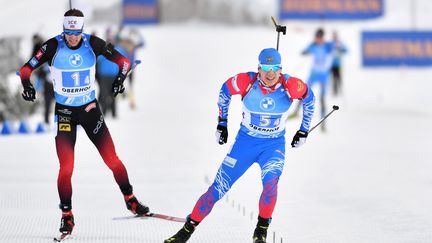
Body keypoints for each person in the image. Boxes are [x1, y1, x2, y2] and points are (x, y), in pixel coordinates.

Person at [18, 9, 149, 236]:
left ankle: (131, 199)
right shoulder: (53, 46)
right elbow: (25, 68)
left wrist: (119, 80)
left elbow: (124, 62)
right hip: (66, 113)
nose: (72, 38)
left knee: (112, 159)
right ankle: (66, 215)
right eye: (68, 33)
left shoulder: (92, 43)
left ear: (81, 29)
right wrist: (27, 85)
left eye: (75, 33)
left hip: (90, 110)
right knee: (66, 167)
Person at [164, 48, 315, 243]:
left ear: (281, 69)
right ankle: (185, 231)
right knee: (218, 188)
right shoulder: (246, 81)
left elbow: (309, 99)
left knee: (270, 184)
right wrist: (222, 123)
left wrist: (303, 130)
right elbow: (225, 91)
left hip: (273, 147)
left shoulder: (291, 85)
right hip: (245, 144)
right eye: (266, 68)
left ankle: (261, 231)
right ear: (258, 68)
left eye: (275, 68)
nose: (271, 73)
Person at [289, 28, 333, 130]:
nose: (317, 39)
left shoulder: (327, 46)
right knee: (303, 92)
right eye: (316, 37)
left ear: (322, 37)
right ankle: (296, 112)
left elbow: (332, 54)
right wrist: (305, 52)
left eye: (319, 38)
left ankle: (323, 121)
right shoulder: (313, 45)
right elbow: (305, 51)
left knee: (322, 97)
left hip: (323, 75)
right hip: (313, 74)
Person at [31, 33, 54, 125]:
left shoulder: (47, 46)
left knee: (62, 105)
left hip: (56, 85)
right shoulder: (37, 48)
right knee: (47, 103)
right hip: (47, 86)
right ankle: (46, 121)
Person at [330, 31, 347, 96]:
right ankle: (335, 91)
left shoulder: (340, 43)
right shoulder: (331, 44)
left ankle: (340, 90)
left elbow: (346, 50)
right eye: (333, 36)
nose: (334, 37)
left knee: (338, 77)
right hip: (331, 64)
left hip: (338, 64)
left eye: (335, 36)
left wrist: (341, 49)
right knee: (333, 78)